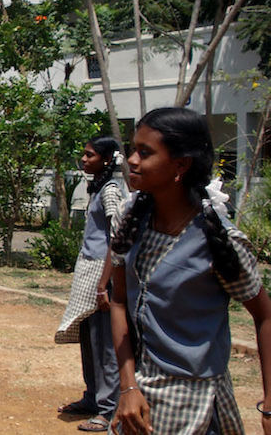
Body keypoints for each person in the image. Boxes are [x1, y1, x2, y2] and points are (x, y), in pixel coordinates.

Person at [108, 107, 271, 435]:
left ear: (180, 165)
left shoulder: (218, 241)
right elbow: (119, 302)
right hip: (139, 397)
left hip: (198, 405)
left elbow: (265, 316)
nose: (132, 160)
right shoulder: (132, 223)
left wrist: (269, 404)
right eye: (132, 149)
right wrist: (127, 387)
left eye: (145, 152)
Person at [55, 137, 124, 432]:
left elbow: (116, 240)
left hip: (101, 276)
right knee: (88, 339)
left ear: (107, 160)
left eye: (90, 155)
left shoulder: (110, 192)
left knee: (104, 343)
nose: (83, 159)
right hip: (89, 272)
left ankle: (108, 409)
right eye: (83, 154)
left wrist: (103, 285)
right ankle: (92, 397)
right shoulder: (96, 188)